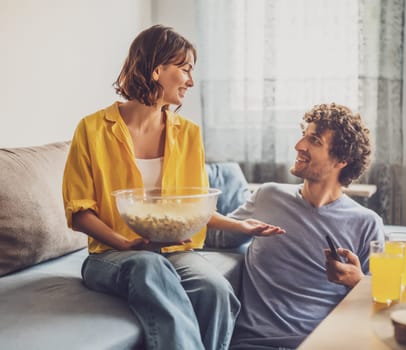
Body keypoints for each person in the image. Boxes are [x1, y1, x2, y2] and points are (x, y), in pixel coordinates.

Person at [62, 24, 283, 350]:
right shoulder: (93, 129)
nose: (191, 81)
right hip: (111, 255)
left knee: (216, 289)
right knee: (147, 264)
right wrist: (125, 243)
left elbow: (194, 209)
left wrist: (240, 225)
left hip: (174, 252)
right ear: (156, 69)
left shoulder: (188, 134)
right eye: (185, 69)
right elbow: (79, 212)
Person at [207, 103, 385, 349]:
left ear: (342, 160)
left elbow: (383, 306)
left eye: (314, 140)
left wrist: (357, 282)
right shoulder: (267, 196)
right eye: (304, 136)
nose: (299, 146)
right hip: (253, 344)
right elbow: (214, 236)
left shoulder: (366, 223)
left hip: (322, 344)